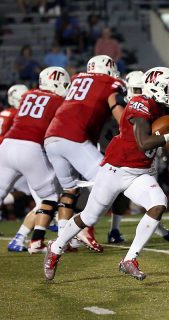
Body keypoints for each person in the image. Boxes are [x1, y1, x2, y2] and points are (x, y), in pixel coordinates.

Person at [43, 67, 169, 281]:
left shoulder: (168, 110)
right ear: (155, 89)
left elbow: (167, 132)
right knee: (90, 217)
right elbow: (143, 142)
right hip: (116, 169)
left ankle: (130, 259)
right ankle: (56, 247)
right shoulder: (140, 104)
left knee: (158, 204)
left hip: (140, 172)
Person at [44, 55, 126, 251]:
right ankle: (85, 226)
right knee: (109, 180)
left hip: (51, 137)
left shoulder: (75, 80)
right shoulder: (111, 82)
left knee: (69, 190)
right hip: (74, 137)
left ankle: (63, 239)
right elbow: (115, 103)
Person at [0, 67, 70, 253]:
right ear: (55, 82)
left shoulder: (28, 95)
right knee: (49, 197)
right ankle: (37, 242)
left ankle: (32, 240)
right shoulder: (58, 100)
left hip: (7, 146)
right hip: (30, 148)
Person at [0, 84, 28, 237]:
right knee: (27, 191)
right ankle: (47, 222)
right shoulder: (18, 113)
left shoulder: (3, 112)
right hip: (10, 152)